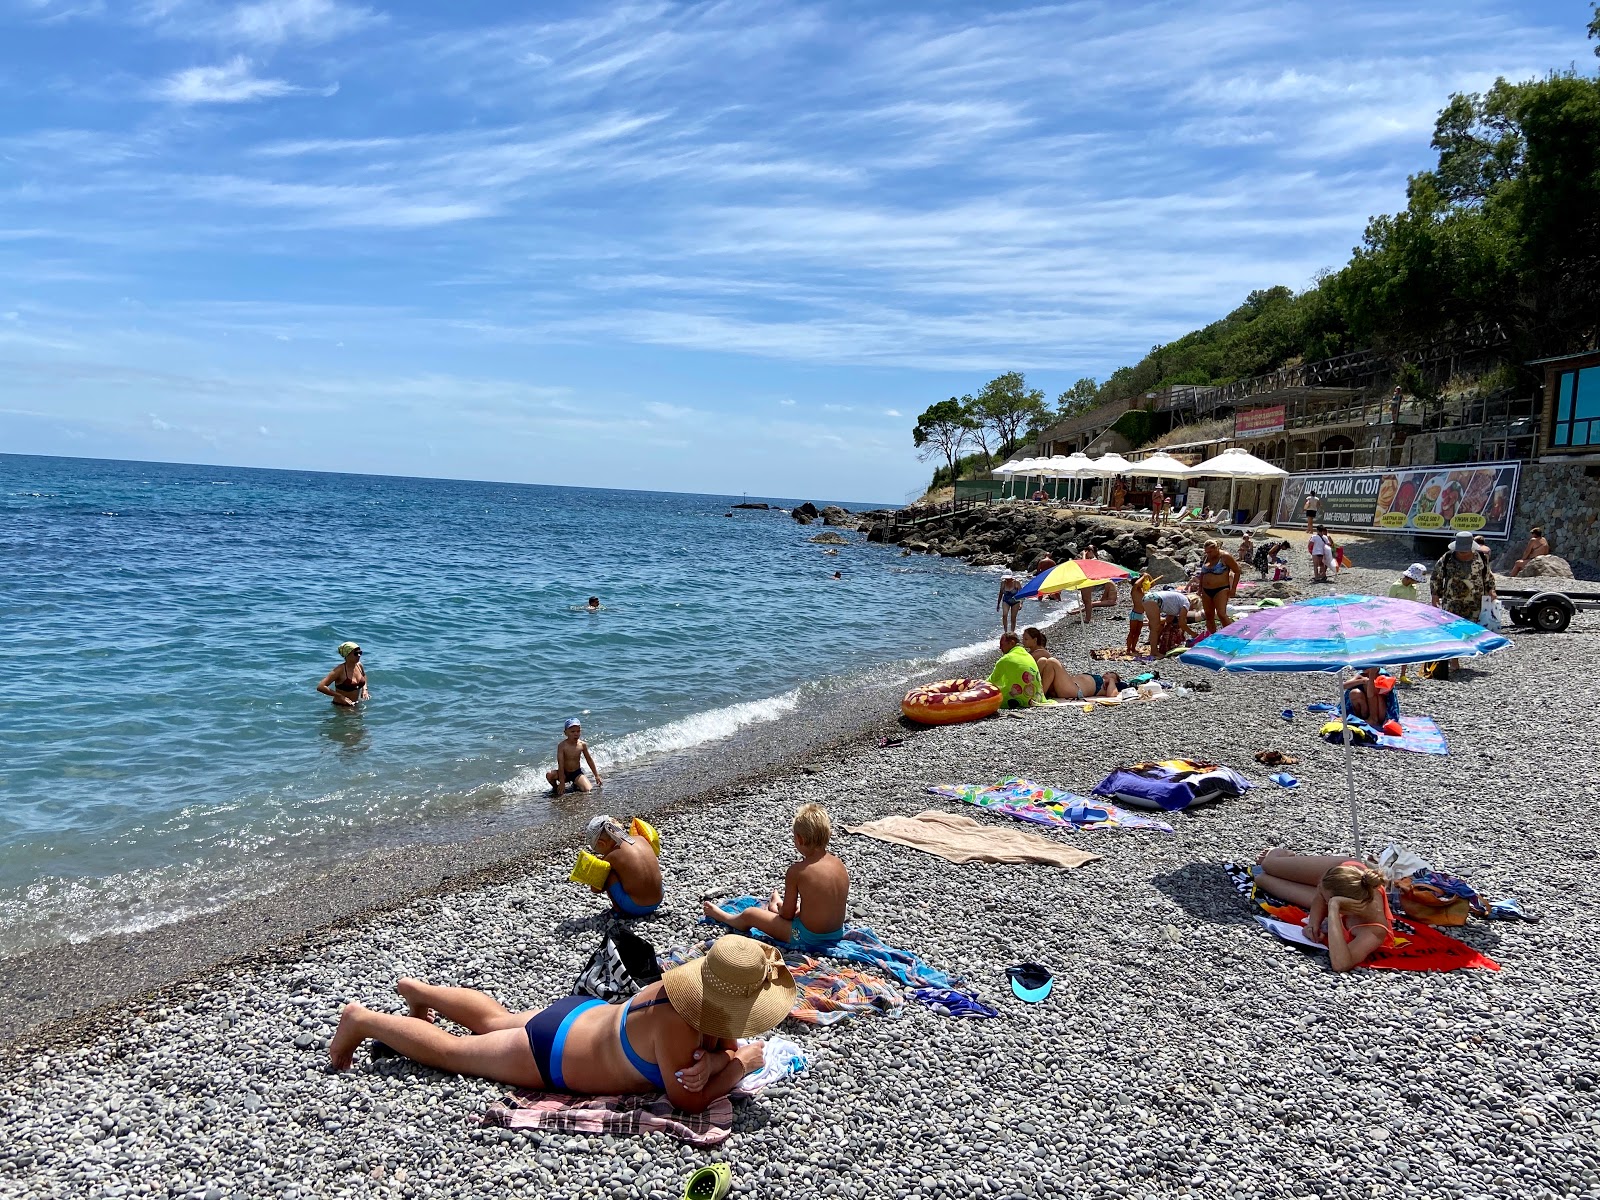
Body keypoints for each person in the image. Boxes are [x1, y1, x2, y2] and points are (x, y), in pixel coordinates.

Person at [326, 934, 790, 1112]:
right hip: (554, 1055)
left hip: (578, 1013)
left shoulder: (686, 992)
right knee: (451, 1053)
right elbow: (689, 1101)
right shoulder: (681, 1026)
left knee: (495, 1019)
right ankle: (362, 1020)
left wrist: (715, 1060)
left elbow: (724, 1045)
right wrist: (738, 1067)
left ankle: (418, 990)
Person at [704, 804, 849, 948]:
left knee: (751, 914)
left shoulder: (797, 871)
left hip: (807, 936)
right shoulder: (839, 864)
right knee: (802, 906)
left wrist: (779, 908)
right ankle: (777, 904)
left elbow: (786, 915)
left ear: (799, 839)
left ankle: (725, 917)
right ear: (828, 835)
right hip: (836, 933)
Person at [1250, 851, 1394, 972]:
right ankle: (1282, 853)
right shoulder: (1344, 886)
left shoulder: (1373, 930)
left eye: (1327, 901)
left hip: (1339, 890)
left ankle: (1291, 868)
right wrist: (1313, 923)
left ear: (1342, 905)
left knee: (1262, 879)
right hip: (1347, 869)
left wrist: (1333, 907)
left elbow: (1341, 964)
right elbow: (1321, 890)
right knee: (1267, 865)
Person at [1430, 531, 1497, 676]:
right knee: (1452, 630)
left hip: (1475, 601)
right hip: (1452, 601)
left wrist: (1491, 590)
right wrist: (1435, 595)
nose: (1463, 553)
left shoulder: (1481, 558)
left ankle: (1464, 651)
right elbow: (1436, 576)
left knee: (1470, 629)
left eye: (1465, 550)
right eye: (1460, 550)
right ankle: (1454, 660)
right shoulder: (1447, 558)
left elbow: (1488, 576)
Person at [584, 815, 663, 918]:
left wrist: (598, 864)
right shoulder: (641, 839)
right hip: (658, 900)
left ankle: (618, 910)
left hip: (636, 907)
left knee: (609, 872)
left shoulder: (611, 856)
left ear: (601, 843)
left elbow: (595, 889)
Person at [988, 630, 1045, 707]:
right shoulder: (1027, 655)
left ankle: (1018, 701)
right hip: (1037, 697)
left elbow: (991, 681)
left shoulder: (1006, 659)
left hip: (1020, 698)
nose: (1000, 648)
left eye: (1002, 644)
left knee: (996, 694)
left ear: (1011, 643)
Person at [547, 718, 603, 796]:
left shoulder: (582, 745)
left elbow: (589, 760)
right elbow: (561, 763)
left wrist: (596, 775)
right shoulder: (562, 746)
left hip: (576, 773)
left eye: (578, 731)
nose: (576, 734)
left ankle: (576, 783)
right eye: (572, 732)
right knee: (549, 775)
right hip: (564, 773)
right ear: (565, 733)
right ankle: (556, 788)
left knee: (588, 790)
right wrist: (562, 782)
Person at [1195, 540, 1241, 635]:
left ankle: (1232, 635)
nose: (1209, 554)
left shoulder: (1225, 557)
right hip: (1206, 590)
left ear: (1217, 548)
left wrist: (1233, 589)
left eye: (1210, 551)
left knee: (1221, 614)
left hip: (1221, 589)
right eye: (1206, 552)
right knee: (1208, 615)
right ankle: (1212, 636)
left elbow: (1237, 571)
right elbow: (1203, 574)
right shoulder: (1207, 557)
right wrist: (1200, 589)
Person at [317, 641, 368, 708]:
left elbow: (363, 675)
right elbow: (321, 686)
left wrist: (365, 689)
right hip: (341, 706)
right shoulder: (339, 670)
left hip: (355, 704)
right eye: (356, 653)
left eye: (360, 653)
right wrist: (340, 696)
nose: (359, 655)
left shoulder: (359, 665)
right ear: (347, 654)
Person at [1142, 588, 1193, 654]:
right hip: (1154, 600)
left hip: (1149, 598)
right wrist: (1193, 634)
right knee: (1154, 628)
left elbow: (1167, 620)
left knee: (1156, 625)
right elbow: (1182, 623)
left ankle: (1154, 643)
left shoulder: (1177, 602)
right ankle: (1154, 652)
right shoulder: (1186, 603)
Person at [1124, 573, 1153, 656]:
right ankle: (1128, 649)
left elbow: (1153, 583)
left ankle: (1133, 648)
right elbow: (1136, 584)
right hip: (1135, 614)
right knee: (1132, 632)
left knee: (1137, 633)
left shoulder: (1143, 590)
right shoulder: (1134, 590)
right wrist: (1143, 576)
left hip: (1141, 614)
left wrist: (1148, 576)